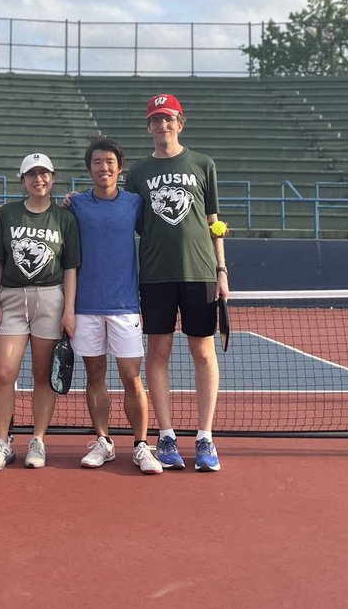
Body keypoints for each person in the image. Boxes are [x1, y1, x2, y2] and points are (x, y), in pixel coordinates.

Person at [125, 94, 228, 473]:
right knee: (158, 354)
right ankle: (165, 436)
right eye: (155, 120)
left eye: (168, 119)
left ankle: (205, 437)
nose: (162, 126)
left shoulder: (203, 164)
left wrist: (222, 270)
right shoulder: (137, 173)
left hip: (201, 272)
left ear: (180, 123)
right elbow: (130, 220)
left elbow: (215, 221)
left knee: (203, 353)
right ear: (149, 126)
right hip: (155, 275)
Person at [67, 137, 163, 475]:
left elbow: (164, 228)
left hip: (125, 306)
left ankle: (141, 445)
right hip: (86, 306)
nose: (103, 167)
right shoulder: (76, 204)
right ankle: (103, 441)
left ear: (119, 168)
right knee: (94, 374)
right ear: (89, 168)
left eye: (109, 161)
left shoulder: (135, 203)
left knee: (131, 377)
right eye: (96, 162)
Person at [0, 152, 81, 471]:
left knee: (43, 376)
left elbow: (70, 267)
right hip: (12, 298)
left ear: (52, 178)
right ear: (22, 180)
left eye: (44, 174)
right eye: (32, 175)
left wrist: (69, 310)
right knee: (4, 375)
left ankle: (38, 440)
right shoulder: (8, 214)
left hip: (50, 299)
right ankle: (2, 442)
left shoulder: (65, 218)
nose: (39, 180)